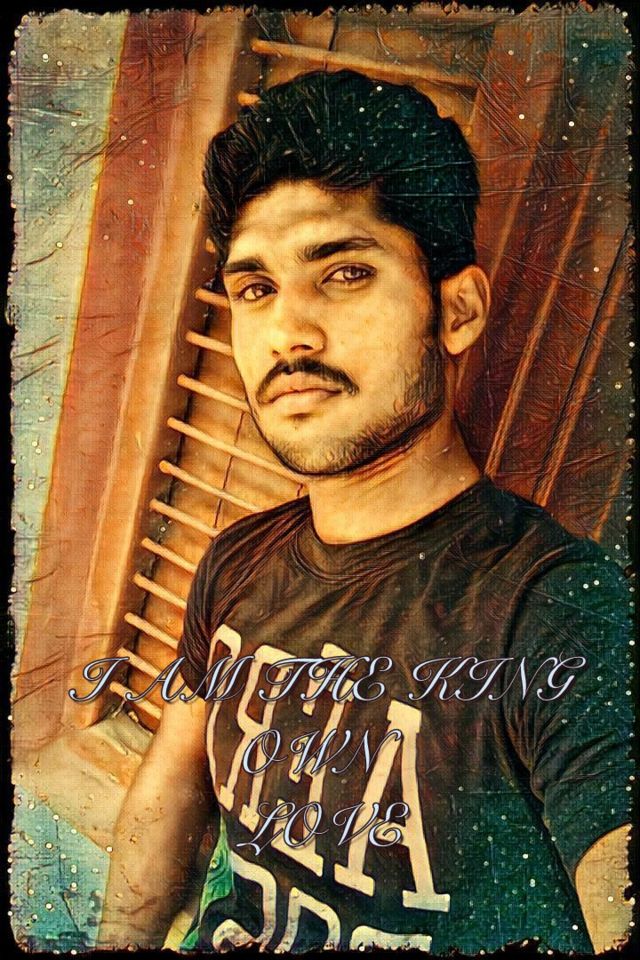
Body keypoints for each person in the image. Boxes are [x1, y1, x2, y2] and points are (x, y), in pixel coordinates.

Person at [98, 70, 633, 954]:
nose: (288, 334)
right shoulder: (235, 563)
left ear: (456, 311)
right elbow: (171, 791)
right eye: (256, 289)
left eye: (344, 273)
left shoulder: (557, 610)